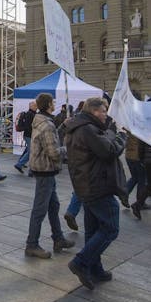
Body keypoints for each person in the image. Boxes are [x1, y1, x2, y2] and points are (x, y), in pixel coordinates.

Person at [62, 97, 127, 289]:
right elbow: (108, 150)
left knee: (93, 231)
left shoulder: (79, 126)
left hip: (85, 185)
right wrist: (121, 137)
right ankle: (81, 262)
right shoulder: (87, 129)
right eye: (103, 111)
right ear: (94, 111)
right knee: (110, 228)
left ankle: (94, 268)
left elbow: (100, 143)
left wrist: (108, 130)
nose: (105, 114)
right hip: (97, 185)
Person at [24, 93, 74, 258]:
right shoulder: (47, 125)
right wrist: (70, 148)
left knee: (53, 206)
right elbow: (53, 152)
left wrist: (62, 127)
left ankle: (58, 238)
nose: (55, 104)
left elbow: (49, 139)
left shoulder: (42, 121)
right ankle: (32, 244)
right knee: (40, 209)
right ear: (48, 105)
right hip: (45, 170)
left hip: (45, 170)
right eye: (52, 102)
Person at [14, 100, 37, 174]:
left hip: (29, 135)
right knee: (31, 151)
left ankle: (20, 163)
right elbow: (29, 126)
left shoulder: (32, 113)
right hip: (29, 135)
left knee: (28, 150)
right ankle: (19, 164)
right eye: (35, 106)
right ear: (31, 106)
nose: (36, 107)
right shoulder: (30, 114)